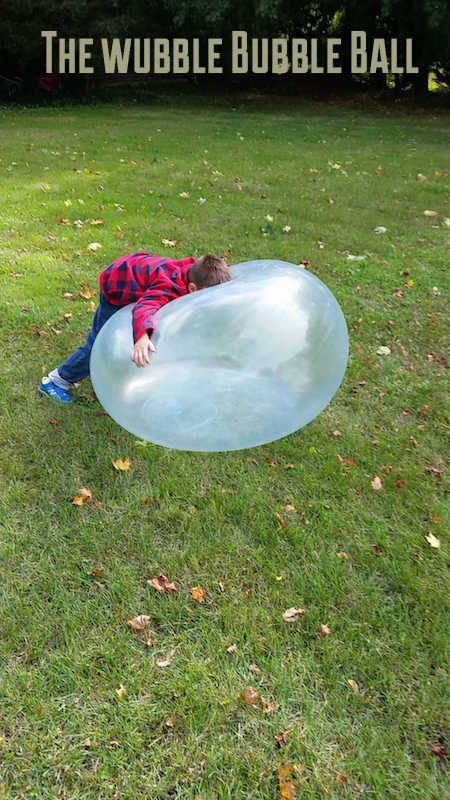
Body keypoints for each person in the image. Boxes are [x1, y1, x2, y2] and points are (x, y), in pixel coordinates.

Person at [37, 251, 230, 404]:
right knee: (97, 345)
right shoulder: (167, 287)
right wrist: (142, 337)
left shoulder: (195, 271)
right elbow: (144, 307)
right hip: (116, 288)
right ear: (192, 289)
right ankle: (56, 381)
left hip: (135, 270)